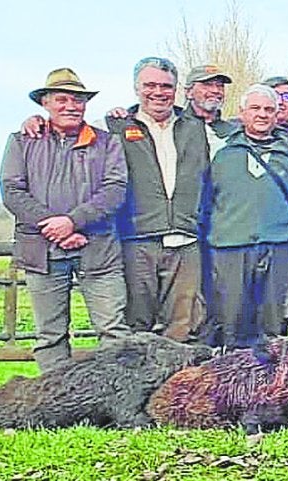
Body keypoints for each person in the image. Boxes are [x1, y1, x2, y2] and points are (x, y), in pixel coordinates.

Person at [2, 68, 130, 369]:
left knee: (113, 331)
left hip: (98, 250)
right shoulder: (22, 141)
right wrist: (54, 226)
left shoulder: (107, 142)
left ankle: (118, 399)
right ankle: (56, 404)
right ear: (45, 103)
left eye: (78, 100)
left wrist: (73, 221)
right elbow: (12, 191)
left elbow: (115, 190)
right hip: (42, 252)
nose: (71, 106)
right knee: (50, 335)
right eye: (62, 99)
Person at [200, 84, 288, 351]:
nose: (262, 114)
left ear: (277, 115)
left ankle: (271, 388)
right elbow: (204, 199)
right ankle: (231, 386)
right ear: (242, 112)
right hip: (229, 247)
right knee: (231, 322)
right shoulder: (218, 152)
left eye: (268, 109)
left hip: (278, 247)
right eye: (255, 108)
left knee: (274, 326)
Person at [107, 58, 211, 339]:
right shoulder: (114, 127)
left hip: (186, 240)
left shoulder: (196, 127)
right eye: (149, 85)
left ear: (177, 89)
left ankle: (177, 384)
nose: (158, 92)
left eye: (166, 86)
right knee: (135, 323)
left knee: (184, 325)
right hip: (137, 239)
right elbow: (67, 131)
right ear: (136, 88)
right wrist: (37, 121)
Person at [184, 64, 236, 141]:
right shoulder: (174, 128)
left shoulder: (233, 133)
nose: (215, 90)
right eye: (207, 85)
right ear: (189, 92)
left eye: (220, 85)